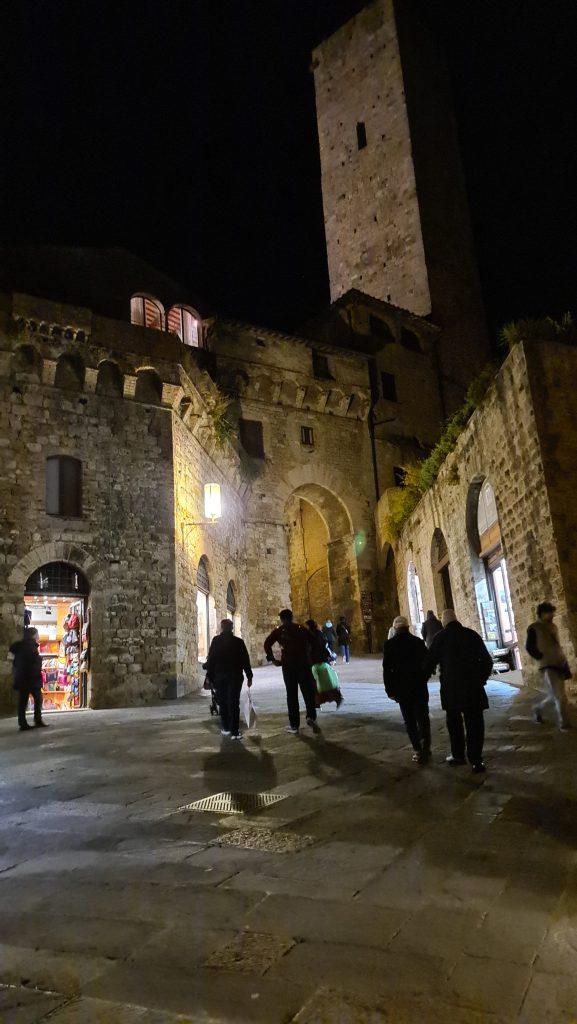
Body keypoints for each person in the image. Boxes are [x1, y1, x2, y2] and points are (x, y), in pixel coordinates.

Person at [425, 609, 493, 774]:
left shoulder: (440, 638)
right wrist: (481, 679)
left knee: (454, 723)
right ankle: (476, 760)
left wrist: (424, 676)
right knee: (475, 724)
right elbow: (487, 661)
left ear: (444, 622)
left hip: (451, 688)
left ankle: (458, 755)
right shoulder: (471, 635)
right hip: (473, 687)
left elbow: (429, 662)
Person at [383, 615, 430, 763]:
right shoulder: (418, 642)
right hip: (419, 687)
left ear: (395, 628)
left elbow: (387, 670)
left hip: (402, 689)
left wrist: (389, 690)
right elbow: (427, 663)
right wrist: (424, 678)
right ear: (408, 627)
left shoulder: (389, 645)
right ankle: (426, 748)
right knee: (423, 718)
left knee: (409, 720)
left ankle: (417, 749)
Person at [264, 609, 320, 734]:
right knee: (308, 692)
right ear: (292, 617)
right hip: (304, 664)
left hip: (288, 666)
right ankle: (311, 717)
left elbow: (267, 643)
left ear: (282, 619)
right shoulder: (301, 628)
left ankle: (294, 725)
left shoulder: (279, 631)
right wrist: (310, 656)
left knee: (291, 694)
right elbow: (315, 642)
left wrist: (272, 659)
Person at [526, 602, 571, 730]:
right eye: (549, 612)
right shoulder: (534, 628)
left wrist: (563, 660)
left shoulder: (553, 627)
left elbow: (557, 645)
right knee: (559, 695)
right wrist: (540, 657)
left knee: (555, 695)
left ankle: (538, 709)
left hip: (559, 663)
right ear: (542, 613)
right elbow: (530, 646)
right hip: (547, 665)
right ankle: (564, 722)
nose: (552, 615)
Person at [205, 619, 253, 740]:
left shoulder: (216, 641)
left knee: (223, 702)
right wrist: (249, 676)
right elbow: (245, 660)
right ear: (231, 628)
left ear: (221, 628)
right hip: (235, 677)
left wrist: (209, 676)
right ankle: (235, 731)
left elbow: (211, 659)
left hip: (220, 677)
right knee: (234, 702)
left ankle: (225, 728)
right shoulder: (239, 642)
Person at [10, 627, 48, 732]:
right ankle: (37, 720)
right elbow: (31, 663)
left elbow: (19, 663)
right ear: (33, 635)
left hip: (22, 677)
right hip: (30, 678)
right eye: (37, 634)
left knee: (23, 701)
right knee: (37, 699)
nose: (38, 636)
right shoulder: (30, 647)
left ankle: (23, 723)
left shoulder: (22, 646)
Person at [305, 619, 343, 707]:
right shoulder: (319, 634)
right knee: (329, 680)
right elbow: (325, 647)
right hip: (322, 660)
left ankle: (317, 702)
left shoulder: (308, 636)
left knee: (316, 682)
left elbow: (308, 649)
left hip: (314, 661)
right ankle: (337, 697)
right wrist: (329, 656)